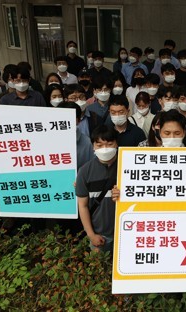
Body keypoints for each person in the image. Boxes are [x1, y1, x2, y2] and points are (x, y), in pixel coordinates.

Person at [77, 125, 118, 253]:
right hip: (100, 235)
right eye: (99, 145)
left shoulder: (129, 165)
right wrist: (91, 235)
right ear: (93, 146)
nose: (105, 149)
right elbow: (82, 205)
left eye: (109, 144)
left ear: (117, 144)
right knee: (99, 270)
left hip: (127, 232)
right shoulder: (85, 171)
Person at [58, 101, 94, 170]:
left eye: (70, 118)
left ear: (78, 121)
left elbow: (90, 168)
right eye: (62, 117)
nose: (66, 122)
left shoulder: (87, 142)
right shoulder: (48, 140)